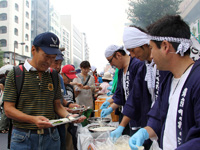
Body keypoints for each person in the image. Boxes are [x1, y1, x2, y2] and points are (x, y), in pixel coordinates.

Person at [129, 15, 200, 150]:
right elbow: (158, 117)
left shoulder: (197, 79)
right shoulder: (168, 81)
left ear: (165, 46)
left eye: (151, 48)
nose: (150, 55)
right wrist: (145, 132)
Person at [3, 32, 81, 150]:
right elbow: (8, 109)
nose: (49, 61)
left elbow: (57, 106)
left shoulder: (54, 75)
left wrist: (70, 117)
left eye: (53, 58)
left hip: (51, 137)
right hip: (23, 138)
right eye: (46, 56)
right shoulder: (16, 74)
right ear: (34, 50)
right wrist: (32, 119)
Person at [100, 45, 143, 138]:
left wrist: (121, 126)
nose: (111, 65)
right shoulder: (120, 71)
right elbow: (120, 96)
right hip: (128, 117)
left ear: (118, 55)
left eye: (110, 61)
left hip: (139, 119)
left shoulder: (137, 65)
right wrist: (110, 108)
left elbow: (136, 98)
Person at [50, 54, 84, 150]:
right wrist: (68, 112)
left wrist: (70, 108)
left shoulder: (58, 78)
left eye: (60, 63)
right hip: (50, 122)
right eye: (56, 62)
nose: (58, 66)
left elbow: (60, 100)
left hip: (62, 119)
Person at [61, 64, 85, 150]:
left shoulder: (70, 87)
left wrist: (76, 107)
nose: (70, 80)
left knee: (70, 142)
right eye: (68, 78)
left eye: (71, 78)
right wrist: (69, 108)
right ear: (62, 74)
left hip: (69, 119)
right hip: (62, 119)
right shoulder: (57, 85)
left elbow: (70, 101)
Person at [73, 61, 100, 126]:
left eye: (87, 69)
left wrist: (97, 90)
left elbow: (93, 90)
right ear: (81, 68)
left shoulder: (91, 77)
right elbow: (74, 89)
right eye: (84, 68)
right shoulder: (76, 77)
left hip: (89, 101)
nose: (86, 70)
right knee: (80, 119)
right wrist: (82, 88)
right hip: (79, 102)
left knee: (88, 119)